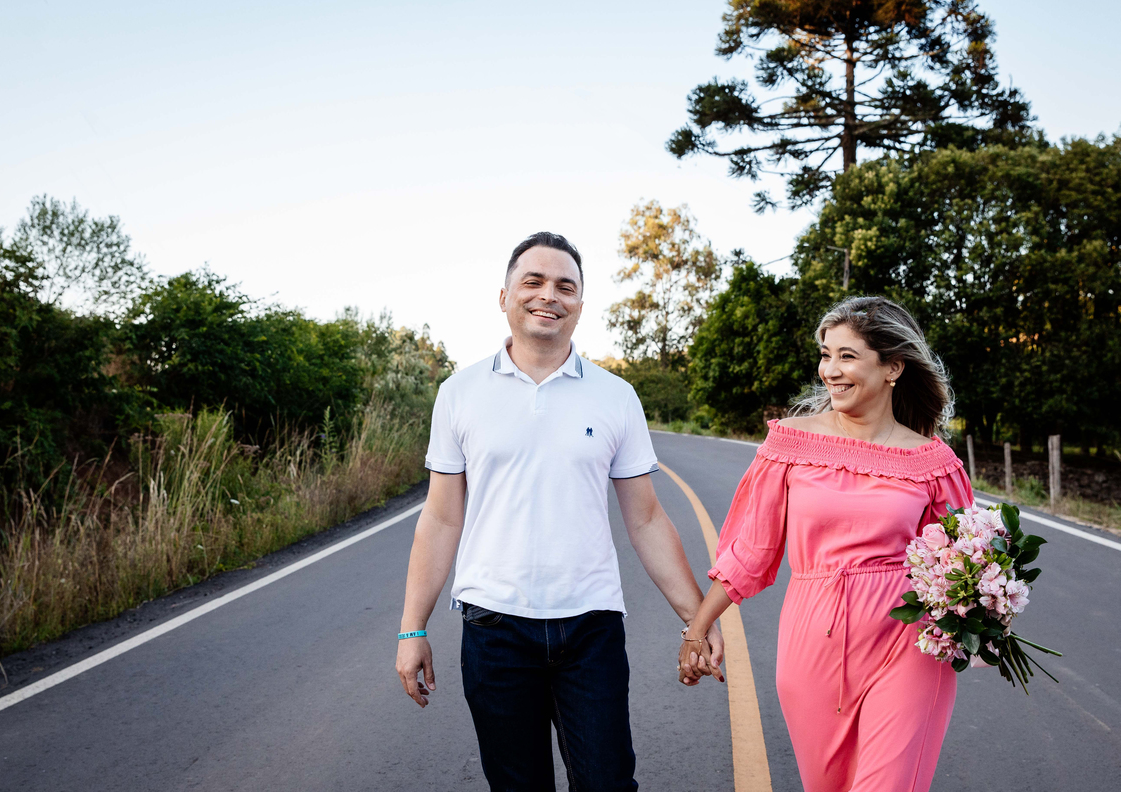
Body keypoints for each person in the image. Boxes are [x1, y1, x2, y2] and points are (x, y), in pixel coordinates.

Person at [395, 231, 722, 792]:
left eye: (565, 286)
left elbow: (645, 518)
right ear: (504, 296)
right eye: (534, 281)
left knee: (609, 782)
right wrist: (411, 629)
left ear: (579, 304)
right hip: (494, 627)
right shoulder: (460, 392)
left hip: (590, 628)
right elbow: (442, 518)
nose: (549, 294)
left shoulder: (615, 395)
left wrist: (697, 618)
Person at [678, 296, 974, 792]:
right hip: (811, 639)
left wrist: (987, 608)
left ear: (893, 367)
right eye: (825, 354)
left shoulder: (932, 461)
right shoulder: (790, 444)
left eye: (847, 356)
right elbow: (752, 552)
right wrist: (697, 629)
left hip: (908, 637)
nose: (830, 371)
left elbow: (965, 561)